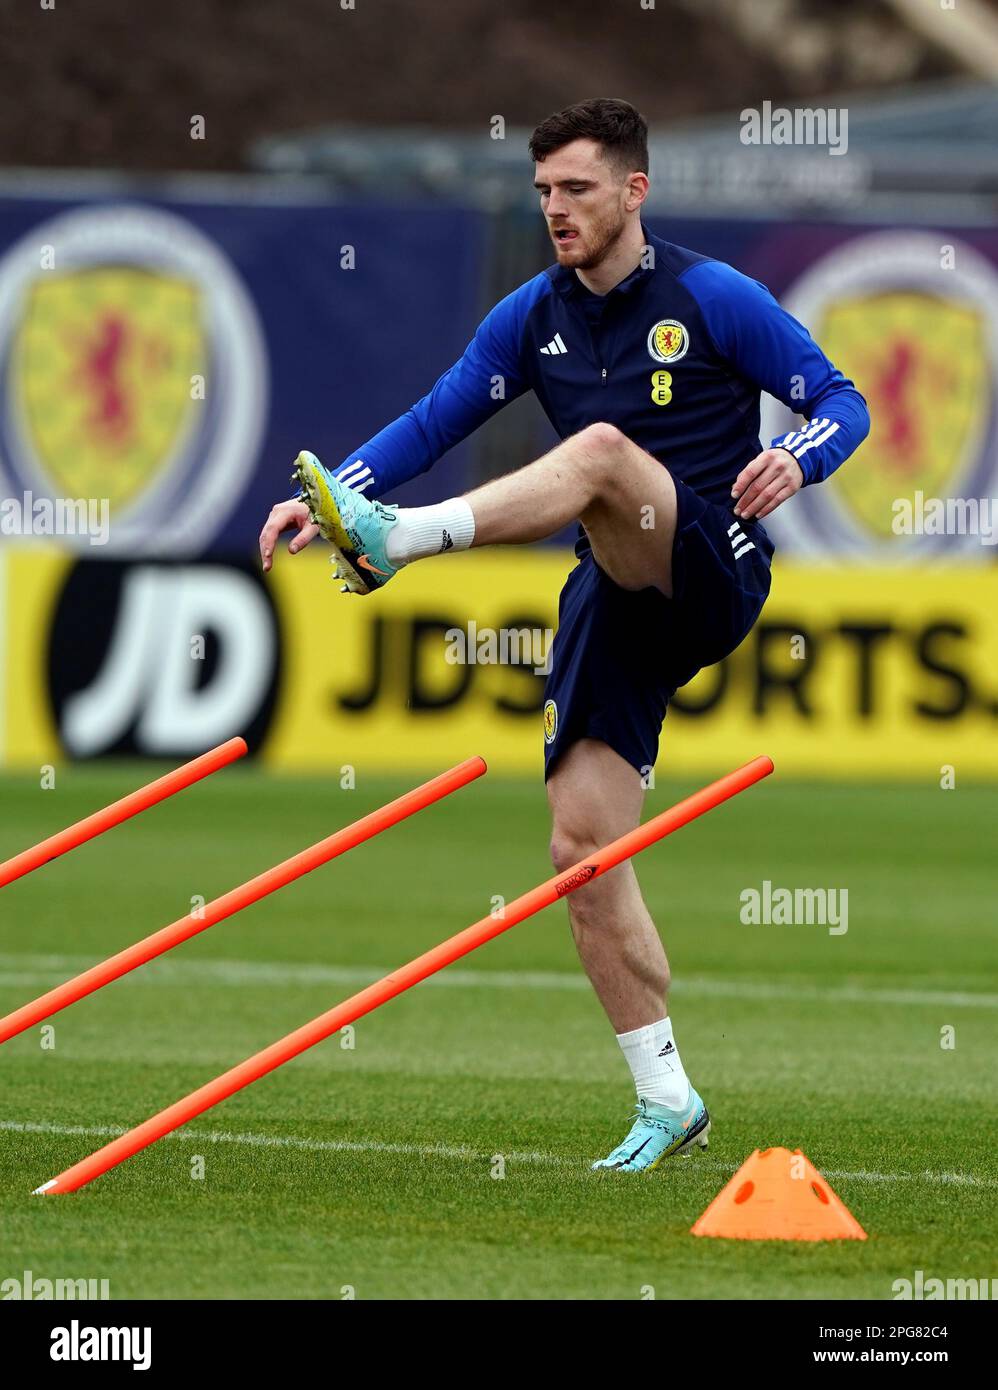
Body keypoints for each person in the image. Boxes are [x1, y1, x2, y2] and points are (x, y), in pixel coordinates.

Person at [259, 98, 870, 1172]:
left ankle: (402, 542)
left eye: (576, 189)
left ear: (634, 191)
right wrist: (328, 496)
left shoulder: (713, 296)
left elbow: (840, 399)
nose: (555, 210)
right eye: (541, 192)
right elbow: (433, 418)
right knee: (581, 852)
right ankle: (665, 1097)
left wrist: (803, 456)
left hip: (709, 564)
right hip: (612, 592)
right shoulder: (528, 316)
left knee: (594, 450)